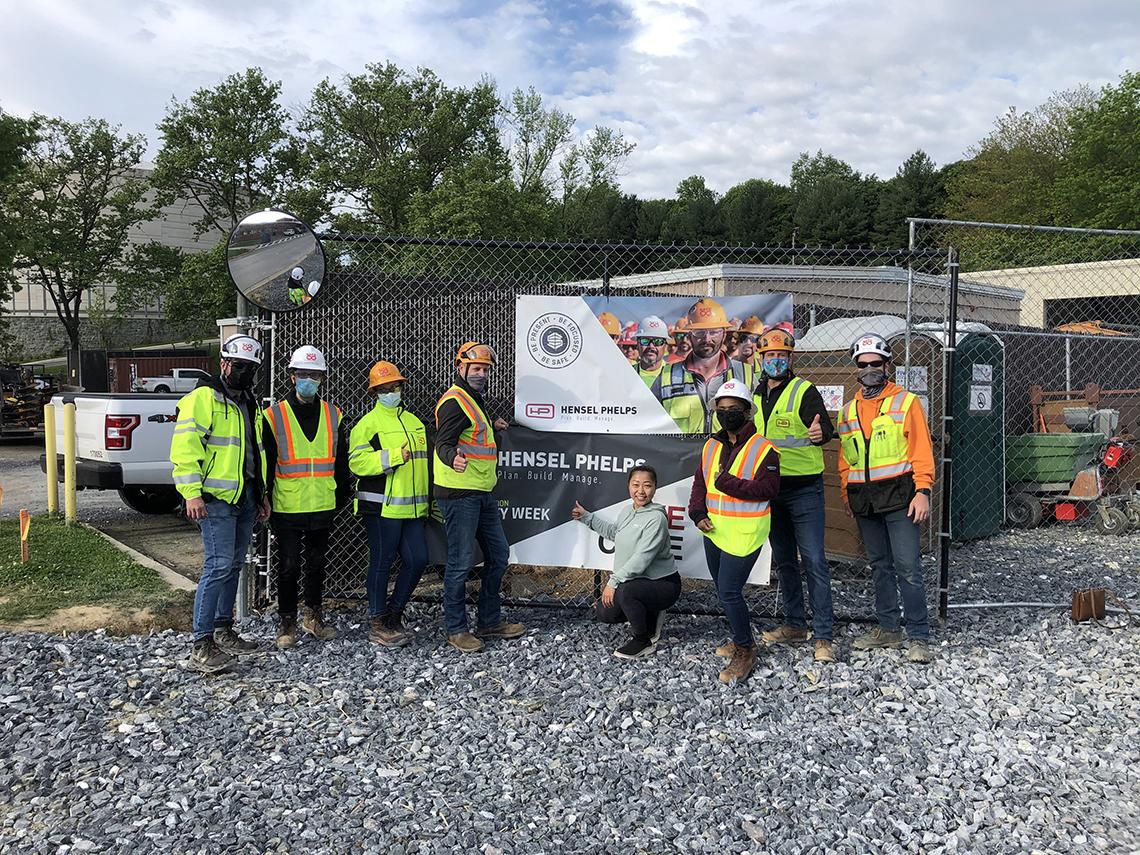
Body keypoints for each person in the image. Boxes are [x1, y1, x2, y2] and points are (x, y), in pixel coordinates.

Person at [171, 333, 271, 673]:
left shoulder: (248, 401)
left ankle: (223, 629)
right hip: (214, 499)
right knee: (217, 565)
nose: (244, 372)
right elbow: (185, 449)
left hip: (244, 498)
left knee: (232, 565)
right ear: (224, 364)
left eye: (250, 367)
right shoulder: (204, 399)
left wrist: (261, 495)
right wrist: (191, 493)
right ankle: (201, 643)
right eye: (239, 366)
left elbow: (254, 455)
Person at [838, 333, 936, 664]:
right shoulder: (848, 410)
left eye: (875, 364)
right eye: (863, 365)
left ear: (887, 366)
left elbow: (922, 450)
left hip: (900, 497)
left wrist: (923, 491)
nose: (869, 370)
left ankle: (918, 636)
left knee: (908, 567)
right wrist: (846, 494)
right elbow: (845, 459)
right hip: (864, 500)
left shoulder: (906, 403)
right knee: (879, 566)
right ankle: (889, 629)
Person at [751, 329, 837, 663]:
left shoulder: (804, 391)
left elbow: (823, 428)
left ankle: (824, 635)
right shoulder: (757, 395)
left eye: (781, 357)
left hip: (804, 491)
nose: (775, 361)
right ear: (762, 359)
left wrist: (821, 433)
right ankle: (795, 624)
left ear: (791, 360)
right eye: (770, 356)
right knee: (784, 561)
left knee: (814, 560)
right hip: (772, 491)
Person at [433, 342, 525, 652]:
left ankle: (489, 622)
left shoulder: (474, 399)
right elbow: (442, 441)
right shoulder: (454, 401)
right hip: (459, 492)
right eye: (476, 369)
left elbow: (474, 436)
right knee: (460, 562)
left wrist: (494, 428)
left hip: (481, 490)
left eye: (485, 369)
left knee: (498, 554)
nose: (481, 373)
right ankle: (456, 628)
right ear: (461, 367)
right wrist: (451, 457)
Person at [689, 379, 780, 683]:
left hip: (745, 531)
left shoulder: (763, 448)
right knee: (723, 590)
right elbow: (700, 482)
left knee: (729, 591)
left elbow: (769, 488)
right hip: (715, 529)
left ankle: (745, 648)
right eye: (722, 409)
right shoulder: (711, 444)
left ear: (747, 412)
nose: (727, 414)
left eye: (733, 409)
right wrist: (697, 512)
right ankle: (739, 637)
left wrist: (728, 483)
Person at [262, 345, 350, 650]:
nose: (309, 380)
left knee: (317, 563)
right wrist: (264, 497)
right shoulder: (274, 416)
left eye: (314, 375)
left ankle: (313, 617)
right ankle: (287, 623)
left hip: (322, 503)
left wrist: (342, 493)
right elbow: (267, 462)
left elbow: (340, 459)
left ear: (322, 377)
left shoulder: (333, 414)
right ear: (292, 377)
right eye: (303, 374)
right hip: (286, 504)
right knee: (288, 565)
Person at [349, 360, 430, 647]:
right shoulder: (367, 425)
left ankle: (394, 614)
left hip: (413, 508)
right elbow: (356, 463)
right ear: (375, 392)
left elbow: (424, 467)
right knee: (382, 563)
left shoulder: (415, 423)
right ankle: (377, 622)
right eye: (384, 388)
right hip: (382, 507)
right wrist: (393, 456)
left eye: (394, 386)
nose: (391, 391)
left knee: (418, 559)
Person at [571, 465, 680, 659]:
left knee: (625, 591)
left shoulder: (656, 518)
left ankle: (643, 640)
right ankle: (649, 615)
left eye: (647, 485)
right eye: (636, 484)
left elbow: (643, 557)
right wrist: (587, 517)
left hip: (663, 583)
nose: (641, 491)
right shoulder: (627, 511)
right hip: (638, 582)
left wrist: (613, 582)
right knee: (605, 613)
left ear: (655, 488)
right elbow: (614, 533)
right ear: (628, 486)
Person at [651, 298, 749, 434]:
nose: (707, 339)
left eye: (714, 332)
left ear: (724, 334)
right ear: (690, 335)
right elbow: (649, 422)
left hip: (727, 455)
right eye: (699, 332)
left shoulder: (745, 374)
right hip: (680, 455)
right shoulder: (667, 376)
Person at [635, 315, 670, 386]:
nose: (651, 346)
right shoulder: (628, 372)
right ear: (637, 345)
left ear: (665, 346)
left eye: (657, 341)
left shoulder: (674, 375)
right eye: (645, 341)